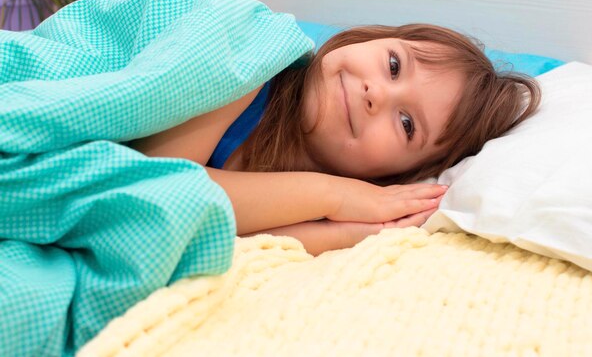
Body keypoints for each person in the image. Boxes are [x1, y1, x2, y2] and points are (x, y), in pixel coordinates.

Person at [129, 24, 540, 256]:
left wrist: (346, 232)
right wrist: (333, 195)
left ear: (398, 174)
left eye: (407, 124)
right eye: (394, 65)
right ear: (369, 37)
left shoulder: (325, 201)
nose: (377, 93)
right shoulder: (243, 61)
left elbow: (220, 236)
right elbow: (153, 192)